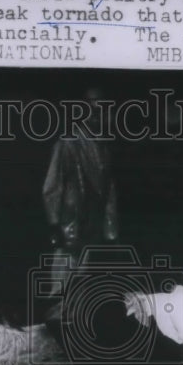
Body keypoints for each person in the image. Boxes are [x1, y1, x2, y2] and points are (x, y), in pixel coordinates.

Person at [40, 88, 119, 322]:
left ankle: (73, 331)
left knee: (82, 286)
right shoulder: (67, 143)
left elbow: (109, 192)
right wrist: (54, 223)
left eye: (102, 110)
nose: (97, 115)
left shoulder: (104, 148)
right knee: (61, 286)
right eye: (93, 109)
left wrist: (110, 231)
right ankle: (55, 330)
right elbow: (51, 186)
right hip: (69, 226)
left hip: (91, 227)